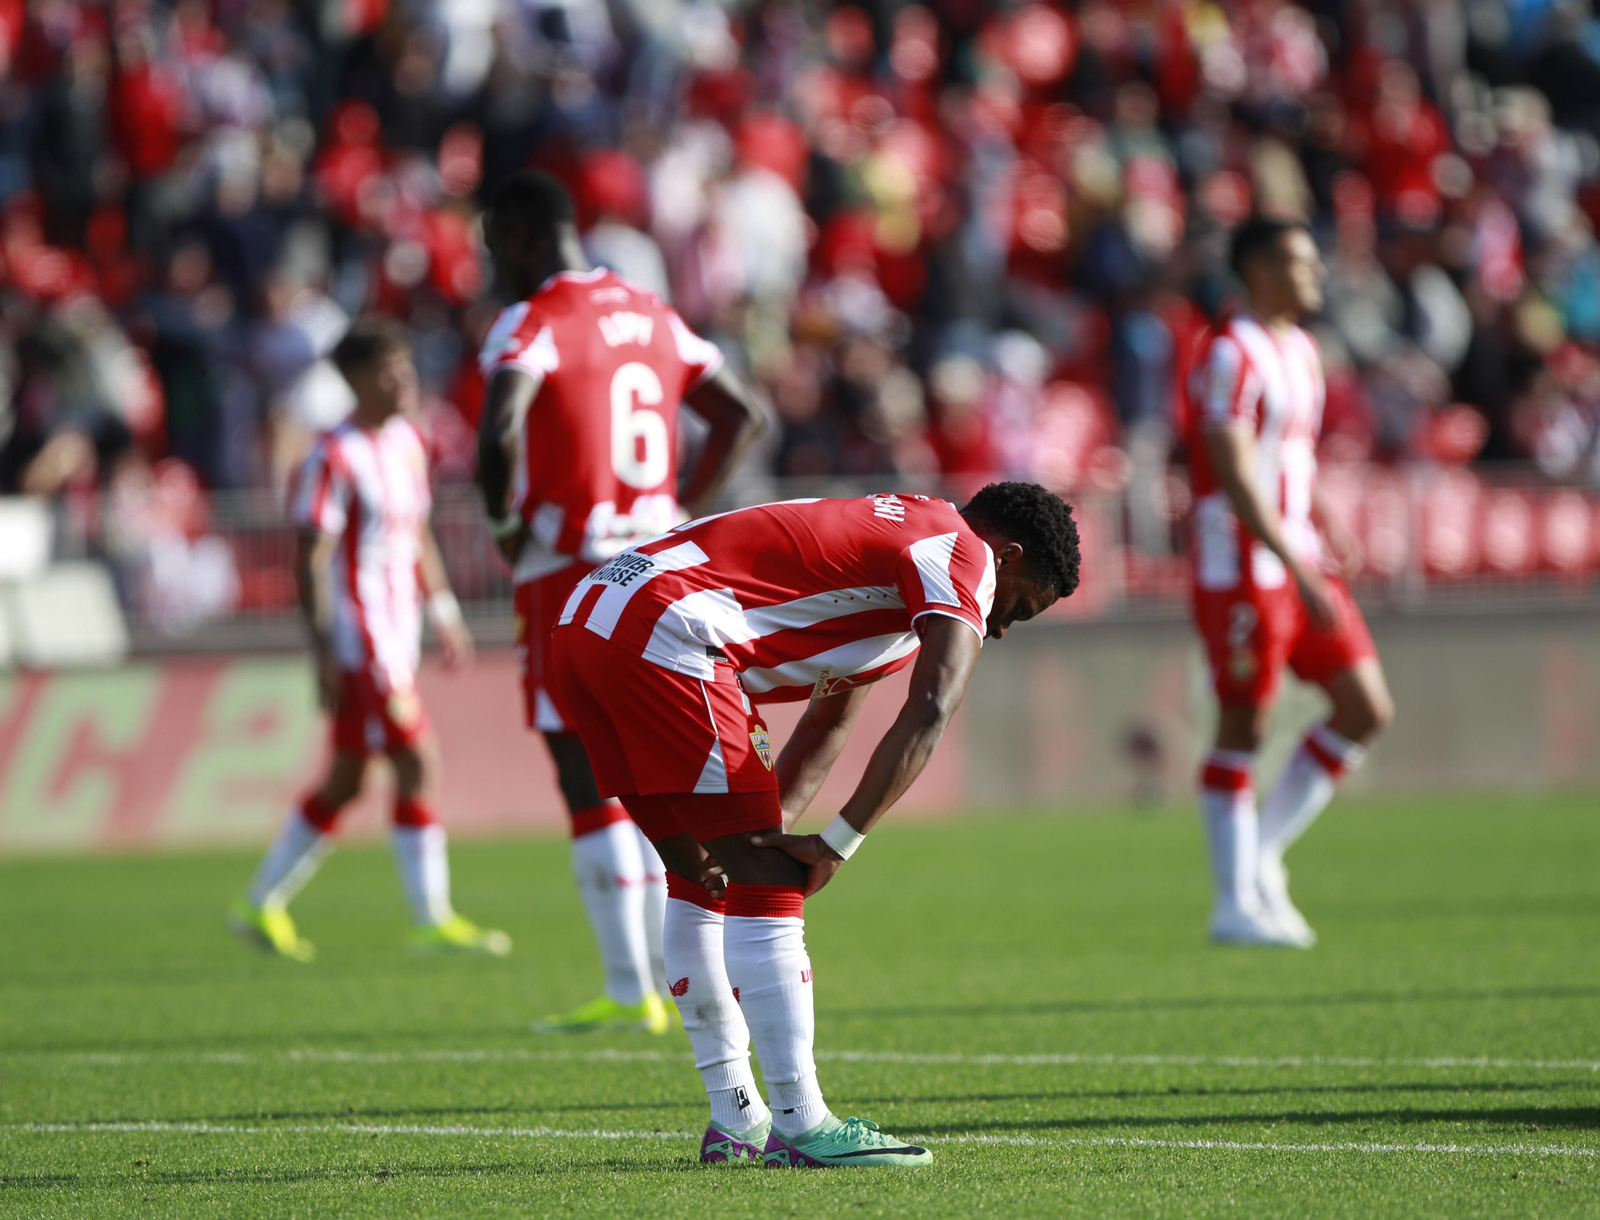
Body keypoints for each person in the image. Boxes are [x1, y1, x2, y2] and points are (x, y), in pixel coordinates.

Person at [548, 483, 1080, 1166]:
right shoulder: (964, 554)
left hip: (589, 620)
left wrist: (771, 834)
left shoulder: (900, 554)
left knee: (705, 875)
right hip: (666, 627)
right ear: (1006, 556)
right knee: (764, 882)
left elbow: (829, 721)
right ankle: (802, 1124)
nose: (1001, 629)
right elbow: (934, 707)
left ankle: (735, 1121)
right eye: (1020, 609)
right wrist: (836, 845)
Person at [475, 171, 765, 1033]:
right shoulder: (650, 310)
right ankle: (687, 980)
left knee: (584, 773)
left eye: (497, 251)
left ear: (527, 239)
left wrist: (501, 525)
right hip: (655, 566)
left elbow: (497, 430)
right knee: (663, 771)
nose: (496, 270)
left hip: (569, 569)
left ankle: (631, 983)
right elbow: (741, 414)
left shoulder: (530, 321)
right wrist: (681, 509)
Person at [228, 320, 510, 961]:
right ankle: (430, 917)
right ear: (355, 380)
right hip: (362, 639)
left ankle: (258, 903)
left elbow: (415, 533)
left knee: (349, 780)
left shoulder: (409, 441)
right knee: (418, 760)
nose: (404, 381)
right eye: (389, 372)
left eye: (406, 368)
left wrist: (442, 609)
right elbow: (310, 559)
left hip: (400, 630)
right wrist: (324, 654)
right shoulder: (331, 455)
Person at [1185, 216, 1396, 948]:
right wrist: (1295, 557)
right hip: (1242, 564)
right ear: (1259, 269)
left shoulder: (1300, 349)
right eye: (1301, 262)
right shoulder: (1228, 353)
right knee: (1244, 725)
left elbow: (1288, 459)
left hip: (1298, 553)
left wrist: (1324, 520)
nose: (1317, 274)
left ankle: (1261, 858)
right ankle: (1231, 903)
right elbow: (1234, 472)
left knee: (1364, 706)